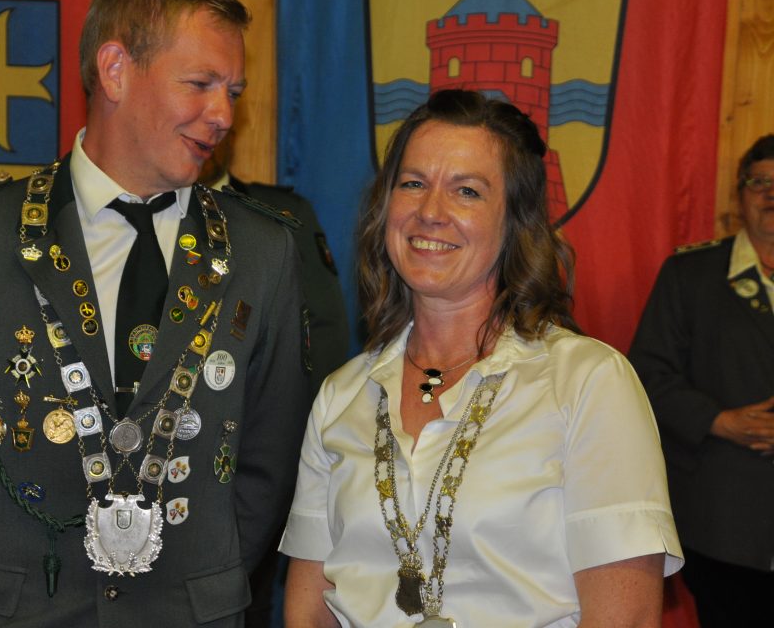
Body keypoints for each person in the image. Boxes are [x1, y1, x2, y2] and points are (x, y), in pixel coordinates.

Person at [0, 0, 311, 627]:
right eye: (200, 84)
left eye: (234, 91)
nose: (223, 114)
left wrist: (194, 590)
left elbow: (269, 466)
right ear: (115, 70)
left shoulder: (261, 251)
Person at [280, 89, 683, 627]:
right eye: (413, 183)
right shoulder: (341, 395)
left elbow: (625, 619)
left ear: (515, 221)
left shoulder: (588, 382)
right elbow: (309, 611)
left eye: (466, 191)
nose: (430, 212)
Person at [200, 137, 351, 628]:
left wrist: (277, 472)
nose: (215, 117)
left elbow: (322, 346)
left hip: (248, 481)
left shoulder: (278, 217)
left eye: (230, 101)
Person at [629, 135, 774, 627]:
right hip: (722, 519)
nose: (771, 193)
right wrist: (719, 420)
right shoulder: (690, 275)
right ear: (740, 195)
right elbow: (647, 375)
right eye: (760, 182)